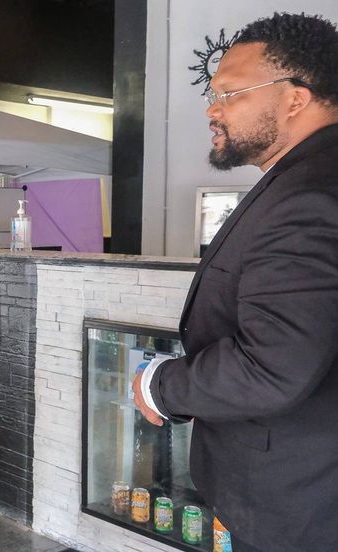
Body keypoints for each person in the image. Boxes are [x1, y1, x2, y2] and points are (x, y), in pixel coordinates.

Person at [132, 12, 338, 552]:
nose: (212, 109)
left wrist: (162, 386)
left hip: (302, 508)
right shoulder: (305, 181)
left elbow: (273, 366)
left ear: (295, 98)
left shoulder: (309, 197)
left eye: (230, 92)